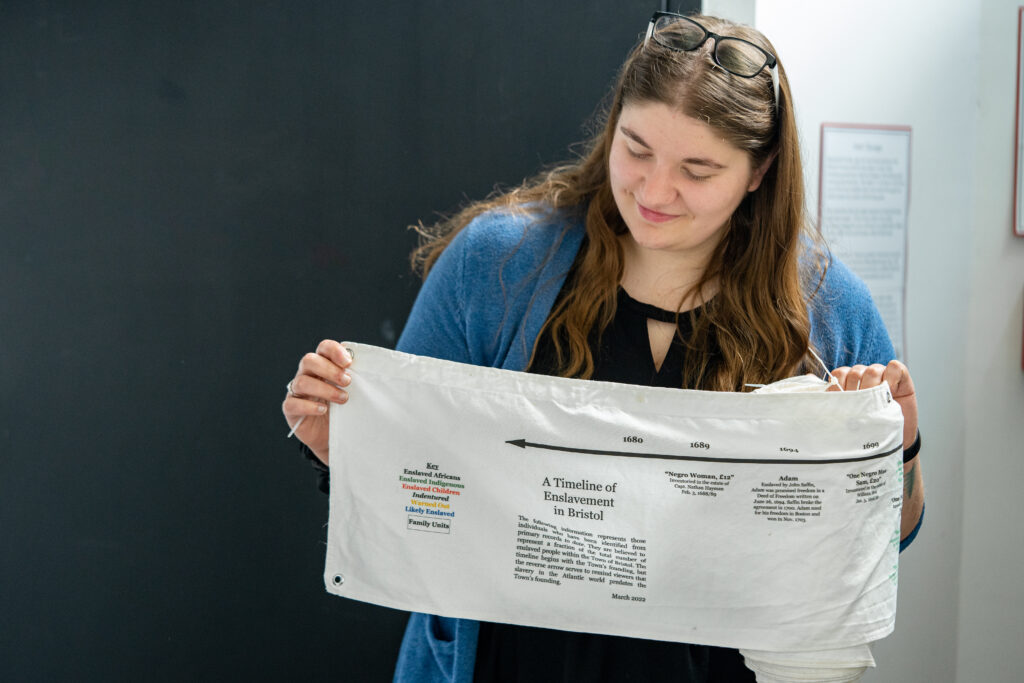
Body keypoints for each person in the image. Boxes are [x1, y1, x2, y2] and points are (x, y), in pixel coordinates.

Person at [281, 11, 924, 682]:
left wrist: (898, 452)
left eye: (698, 170)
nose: (653, 190)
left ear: (759, 171)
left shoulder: (826, 307)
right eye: (636, 148)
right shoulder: (497, 268)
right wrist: (347, 446)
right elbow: (413, 498)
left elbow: (890, 537)